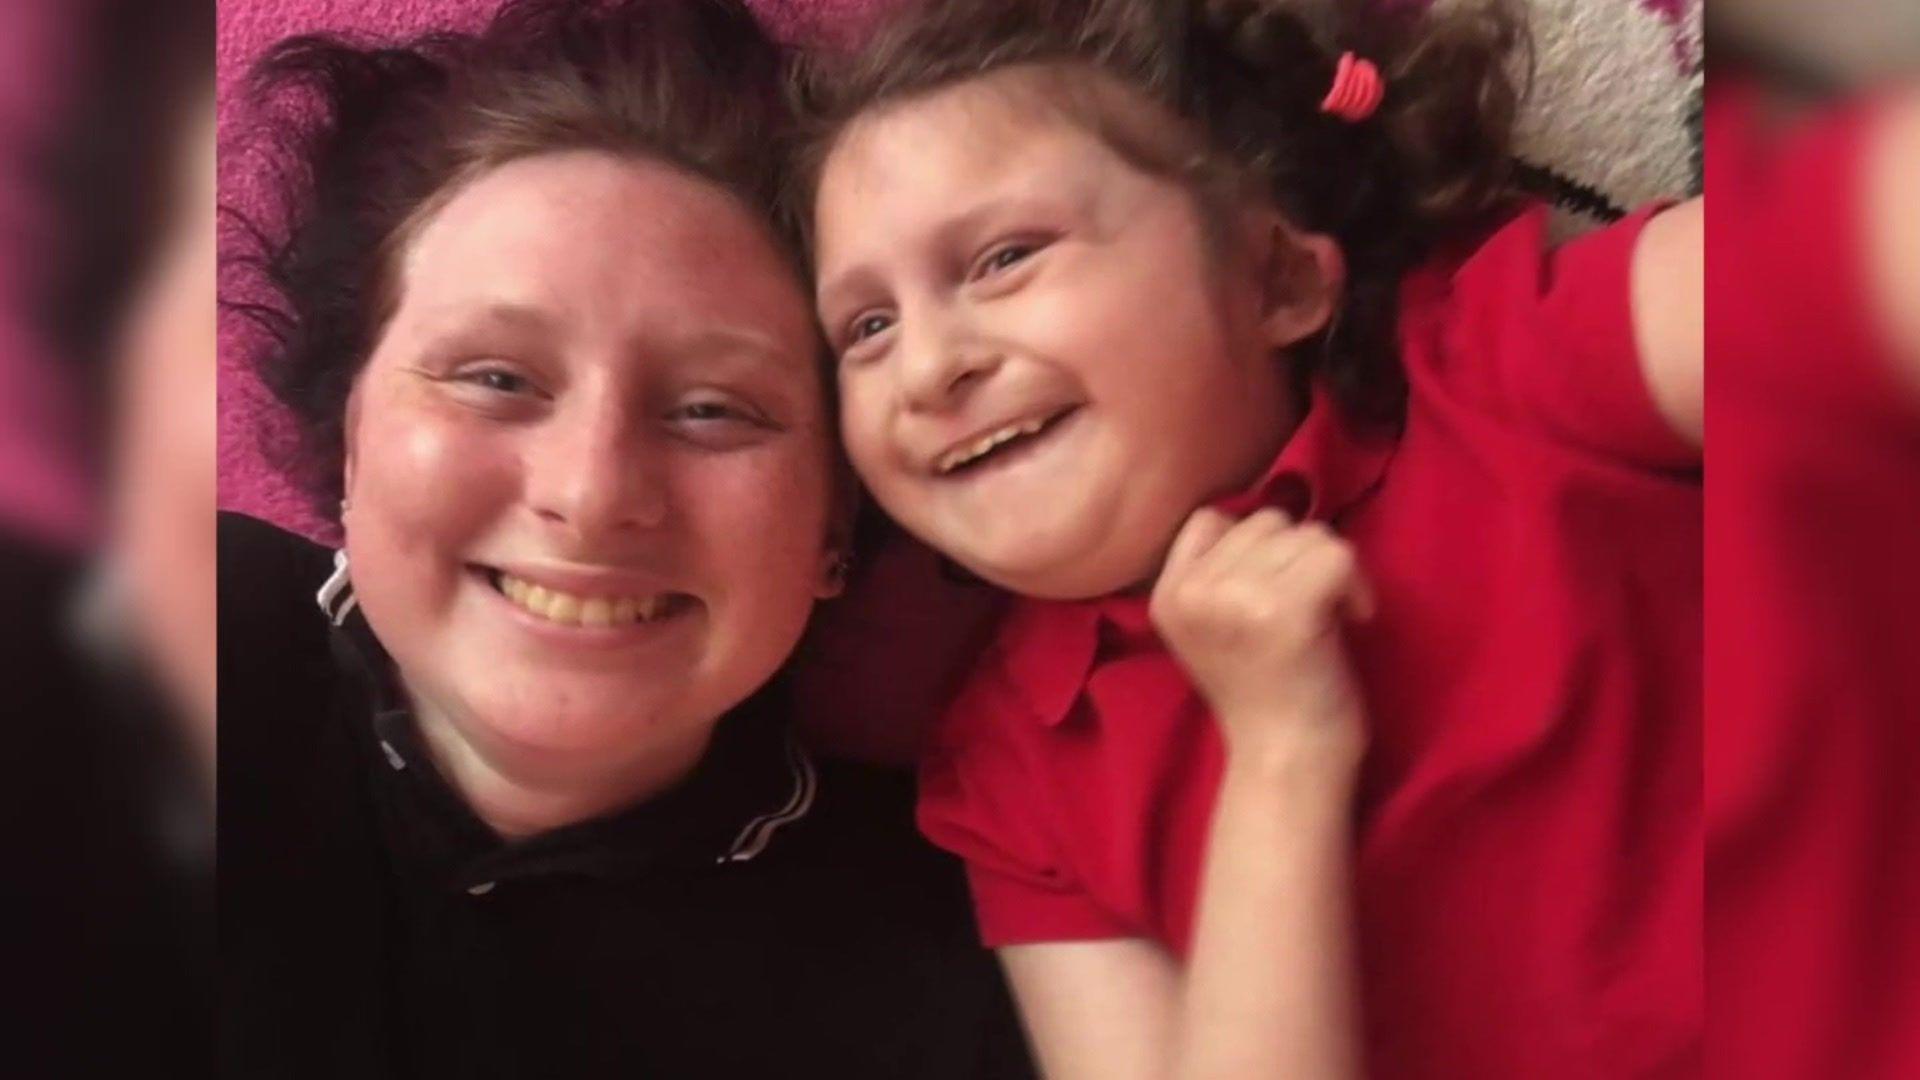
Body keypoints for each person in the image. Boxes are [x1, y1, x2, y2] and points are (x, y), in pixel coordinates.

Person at [792, 0, 1704, 1076]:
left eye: (1003, 258)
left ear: (1279, 279)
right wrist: (1280, 751)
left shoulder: (1495, 357)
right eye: (865, 328)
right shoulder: (1008, 773)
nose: (928, 367)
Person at [218, 2, 1033, 1076]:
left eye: (714, 409)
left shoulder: (969, 969)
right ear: (351, 437)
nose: (594, 493)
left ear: (836, 521)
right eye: (496, 379)